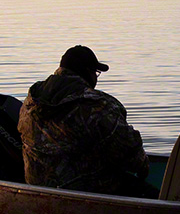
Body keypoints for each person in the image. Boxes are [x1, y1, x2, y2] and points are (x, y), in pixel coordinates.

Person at [17, 45, 156, 197]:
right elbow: (132, 157)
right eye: (96, 73)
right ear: (88, 72)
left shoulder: (31, 101)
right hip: (84, 192)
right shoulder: (97, 106)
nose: (96, 78)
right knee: (153, 194)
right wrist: (143, 166)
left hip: (37, 187)